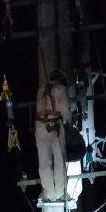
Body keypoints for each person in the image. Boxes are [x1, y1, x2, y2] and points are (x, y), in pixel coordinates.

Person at [34, 69, 72, 202]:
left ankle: (48, 193)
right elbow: (65, 108)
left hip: (40, 127)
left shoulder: (41, 89)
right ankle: (60, 193)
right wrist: (68, 122)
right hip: (55, 126)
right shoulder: (60, 89)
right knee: (59, 160)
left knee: (44, 162)